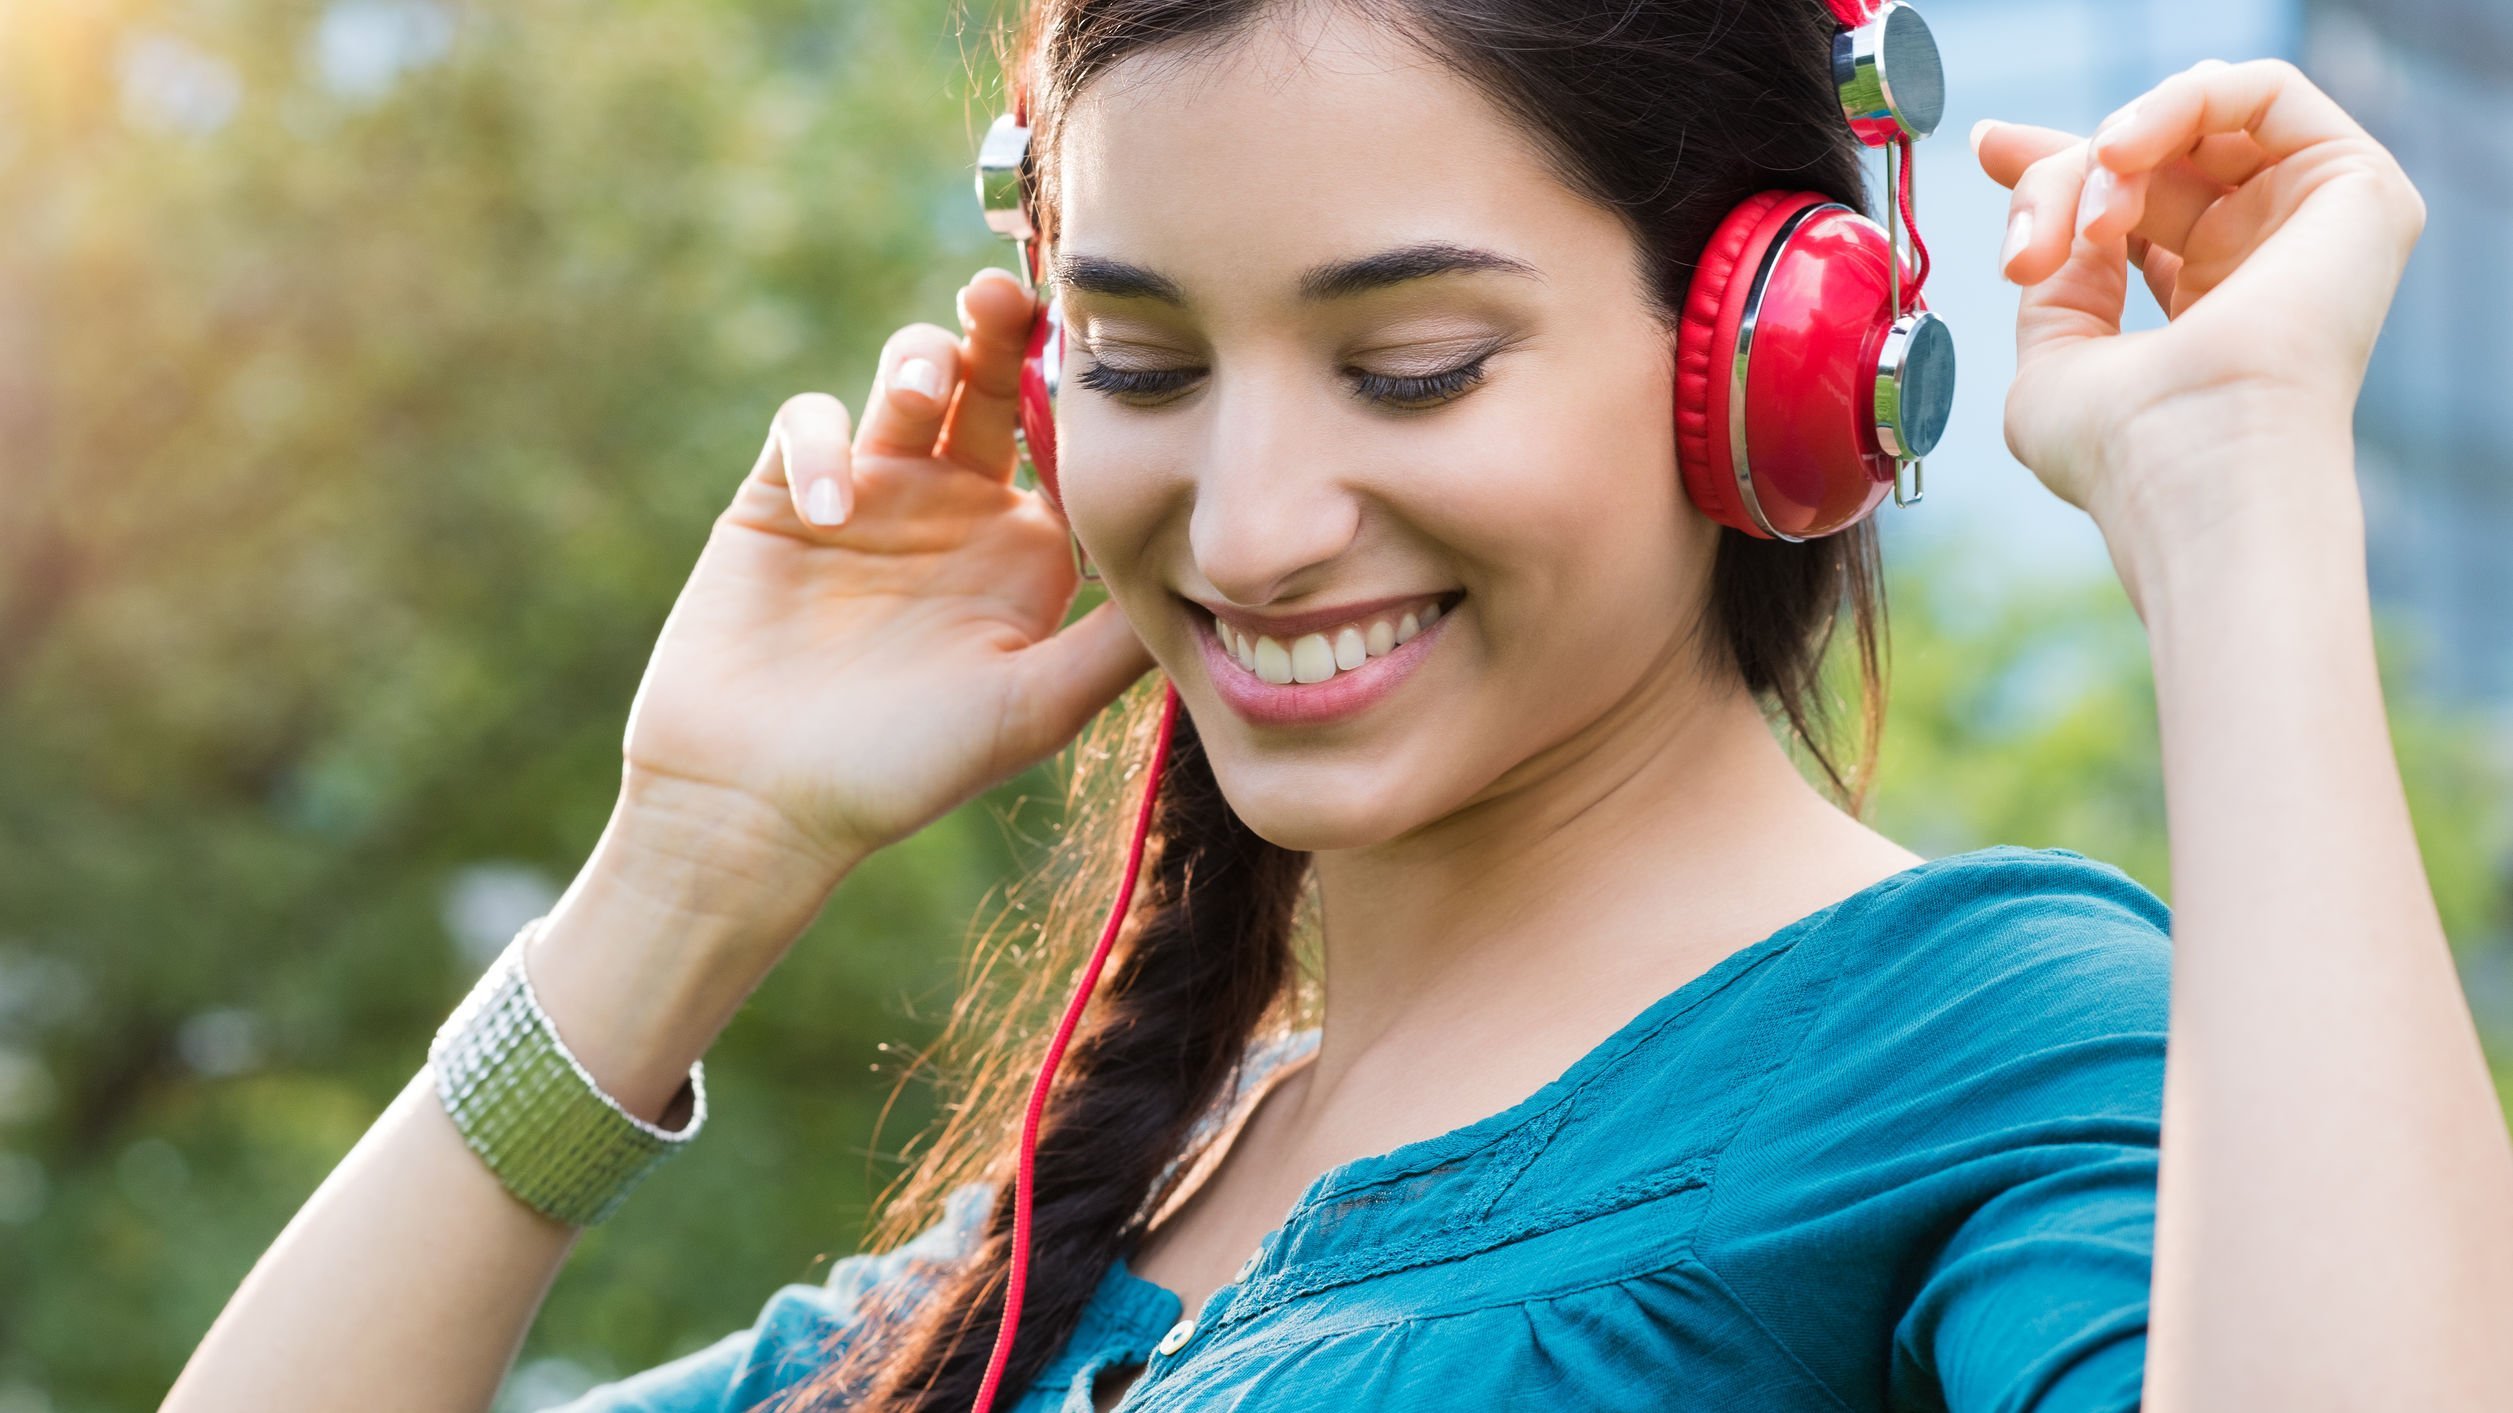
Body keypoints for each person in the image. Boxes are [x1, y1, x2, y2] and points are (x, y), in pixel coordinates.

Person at [167, 0, 2513, 1409]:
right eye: (1145, 361)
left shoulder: (1989, 1038)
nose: (1255, 516)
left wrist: (2235, 504)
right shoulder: (1057, 1251)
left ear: (1770, 368)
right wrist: (681, 868)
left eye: (1409, 363)